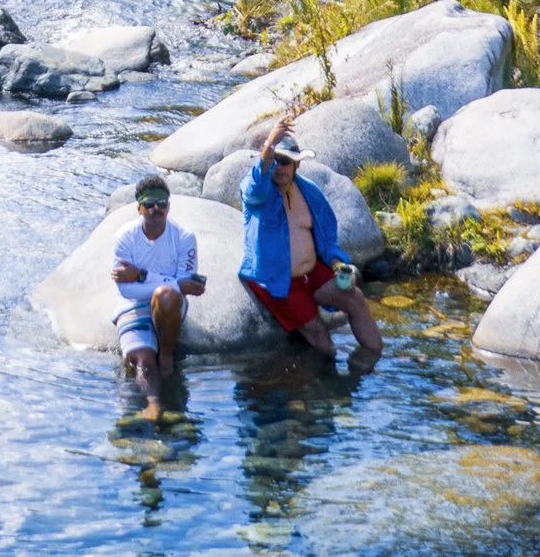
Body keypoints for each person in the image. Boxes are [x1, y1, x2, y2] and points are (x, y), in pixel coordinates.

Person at [240, 111, 383, 360]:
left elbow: (327, 237)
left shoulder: (310, 192)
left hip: (311, 273)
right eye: (275, 160)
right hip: (276, 279)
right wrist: (270, 143)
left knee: (355, 298)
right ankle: (323, 390)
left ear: (297, 164)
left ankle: (374, 362)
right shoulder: (258, 195)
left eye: (286, 161)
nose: (279, 167)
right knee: (321, 337)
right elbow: (256, 181)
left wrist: (337, 263)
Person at [112, 172, 206, 420]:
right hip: (133, 305)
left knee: (166, 296)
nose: (156, 209)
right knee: (142, 358)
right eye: (150, 204)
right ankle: (153, 405)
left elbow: (184, 289)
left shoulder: (184, 237)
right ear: (139, 208)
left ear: (169, 206)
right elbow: (126, 290)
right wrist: (174, 283)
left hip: (170, 306)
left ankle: (166, 356)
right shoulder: (124, 237)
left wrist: (142, 275)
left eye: (161, 203)